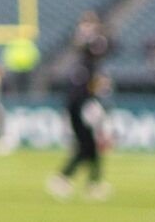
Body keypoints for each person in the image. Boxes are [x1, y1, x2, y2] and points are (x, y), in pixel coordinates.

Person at [46, 71, 112, 200]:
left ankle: (90, 183)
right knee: (85, 155)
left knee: (89, 156)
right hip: (84, 133)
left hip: (86, 133)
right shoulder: (85, 99)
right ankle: (67, 180)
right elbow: (89, 119)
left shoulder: (92, 99)